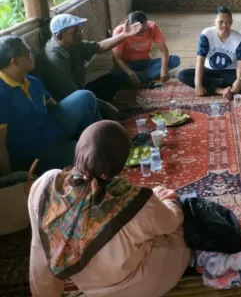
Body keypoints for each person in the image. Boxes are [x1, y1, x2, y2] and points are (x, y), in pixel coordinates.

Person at [28, 121, 190, 297]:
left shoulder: (45, 185)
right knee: (178, 228)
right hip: (140, 290)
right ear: (120, 164)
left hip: (94, 292)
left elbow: (40, 253)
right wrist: (168, 198)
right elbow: (172, 222)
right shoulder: (136, 200)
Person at [0, 36, 101, 176]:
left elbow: (54, 106)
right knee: (92, 154)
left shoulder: (31, 81)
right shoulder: (2, 94)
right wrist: (8, 177)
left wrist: (74, 119)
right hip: (35, 151)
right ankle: (86, 147)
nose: (32, 55)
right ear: (15, 61)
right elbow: (1, 144)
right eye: (28, 53)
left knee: (85, 97)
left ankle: (96, 137)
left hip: (50, 127)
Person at [34, 13, 142, 110]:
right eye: (76, 32)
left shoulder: (73, 43)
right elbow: (76, 96)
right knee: (96, 107)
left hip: (80, 91)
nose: (80, 34)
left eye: (80, 30)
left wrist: (124, 35)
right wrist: (107, 107)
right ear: (59, 36)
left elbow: (99, 47)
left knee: (112, 79)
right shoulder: (54, 60)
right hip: (65, 104)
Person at [178, 7, 241, 99]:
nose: (225, 25)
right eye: (221, 22)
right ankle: (220, 90)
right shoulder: (206, 34)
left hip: (229, 73)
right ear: (214, 21)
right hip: (209, 71)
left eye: (228, 22)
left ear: (232, 22)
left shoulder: (239, 39)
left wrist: (239, 79)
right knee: (183, 75)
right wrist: (198, 85)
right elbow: (200, 61)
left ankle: (211, 86)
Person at [111, 11, 180, 87]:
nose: (142, 34)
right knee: (115, 72)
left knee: (174, 60)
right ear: (130, 26)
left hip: (146, 62)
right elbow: (116, 58)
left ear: (147, 23)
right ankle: (144, 76)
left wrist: (163, 69)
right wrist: (131, 74)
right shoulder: (120, 31)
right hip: (127, 64)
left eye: (144, 30)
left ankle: (138, 78)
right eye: (138, 31)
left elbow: (164, 50)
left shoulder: (152, 27)